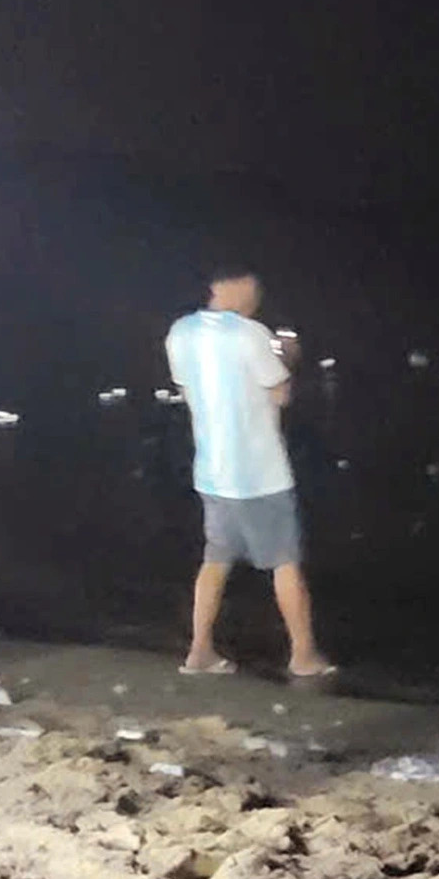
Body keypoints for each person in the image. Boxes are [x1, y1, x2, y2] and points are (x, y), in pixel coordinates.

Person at [164, 264, 335, 678]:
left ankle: (199, 651)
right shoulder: (250, 333)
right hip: (260, 472)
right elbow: (280, 393)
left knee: (216, 559)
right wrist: (288, 355)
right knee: (285, 561)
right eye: (252, 287)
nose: (256, 296)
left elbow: (187, 392)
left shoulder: (179, 333)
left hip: (212, 470)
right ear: (230, 287)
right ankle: (303, 656)